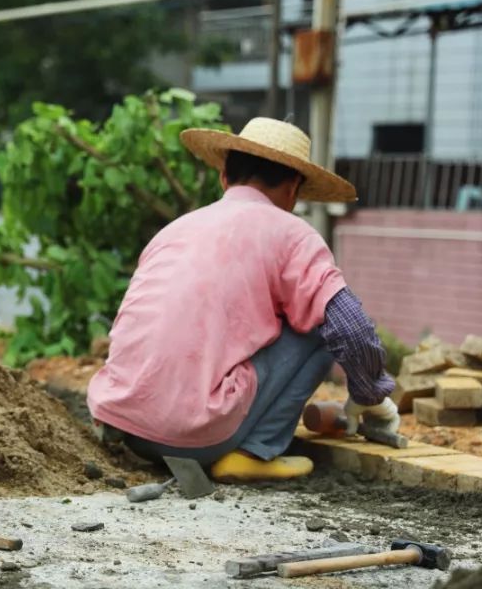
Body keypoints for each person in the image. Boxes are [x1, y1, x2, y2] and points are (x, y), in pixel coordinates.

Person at [87, 117, 399, 482]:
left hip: (126, 425)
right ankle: (255, 452)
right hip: (194, 440)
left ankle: (133, 425)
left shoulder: (176, 229)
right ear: (293, 189)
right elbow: (352, 328)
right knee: (323, 323)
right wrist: (371, 396)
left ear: (224, 178)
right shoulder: (293, 234)